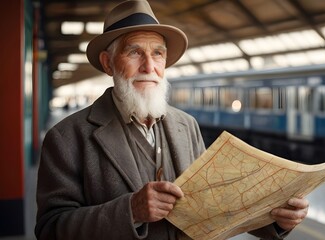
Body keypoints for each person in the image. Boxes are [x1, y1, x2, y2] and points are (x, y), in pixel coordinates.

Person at [35, 0, 309, 239]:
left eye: (158, 53)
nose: (149, 66)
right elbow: (50, 228)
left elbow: (214, 205)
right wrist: (131, 211)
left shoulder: (186, 125)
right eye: (134, 52)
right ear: (108, 63)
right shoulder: (67, 137)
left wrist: (275, 218)